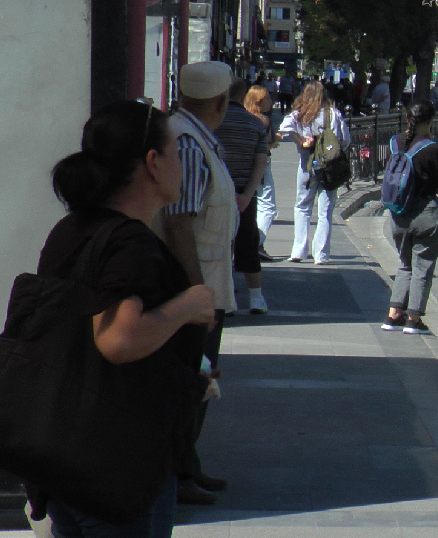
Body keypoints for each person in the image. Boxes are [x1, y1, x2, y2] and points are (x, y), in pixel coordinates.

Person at [28, 100, 215, 537]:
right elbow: (118, 340)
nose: (181, 165)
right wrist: (189, 305)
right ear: (153, 163)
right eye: (174, 152)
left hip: (67, 454)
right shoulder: (127, 242)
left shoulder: (74, 229)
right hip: (118, 466)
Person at [161, 60, 239, 505]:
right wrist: (197, 292)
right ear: (220, 102)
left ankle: (188, 465)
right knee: (196, 378)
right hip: (198, 282)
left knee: (201, 375)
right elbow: (179, 222)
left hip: (206, 280)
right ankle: (179, 472)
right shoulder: (188, 143)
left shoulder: (188, 134)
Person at [381, 101, 438, 335]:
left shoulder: (395, 143)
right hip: (425, 213)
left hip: (398, 213)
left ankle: (393, 314)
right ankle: (414, 319)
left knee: (405, 264)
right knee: (423, 267)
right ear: (430, 121)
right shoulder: (431, 148)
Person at [213, 79, 271, 315]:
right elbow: (261, 162)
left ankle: (226, 299)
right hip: (244, 192)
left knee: (221, 246)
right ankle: (256, 298)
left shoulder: (214, 123)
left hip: (216, 191)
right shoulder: (255, 124)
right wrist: (248, 194)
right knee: (248, 243)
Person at [278, 80, 351, 264]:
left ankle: (298, 250)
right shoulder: (332, 114)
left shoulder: (300, 114)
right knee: (325, 210)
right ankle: (321, 254)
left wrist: (300, 140)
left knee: (302, 206)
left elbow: (283, 129)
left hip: (306, 164)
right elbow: (345, 139)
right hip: (329, 167)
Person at [245, 85, 279, 260]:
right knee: (268, 205)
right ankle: (256, 242)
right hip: (262, 163)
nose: (271, 102)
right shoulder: (263, 121)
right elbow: (268, 143)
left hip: (243, 165)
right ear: (259, 101)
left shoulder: (244, 117)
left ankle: (250, 241)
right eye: (268, 99)